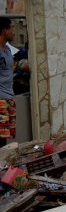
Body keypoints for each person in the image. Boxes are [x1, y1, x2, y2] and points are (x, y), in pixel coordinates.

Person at [0, 17, 18, 145]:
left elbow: (7, 71)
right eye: (11, 28)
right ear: (5, 31)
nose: (13, 31)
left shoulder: (7, 50)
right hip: (0, 99)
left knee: (5, 137)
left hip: (8, 97)